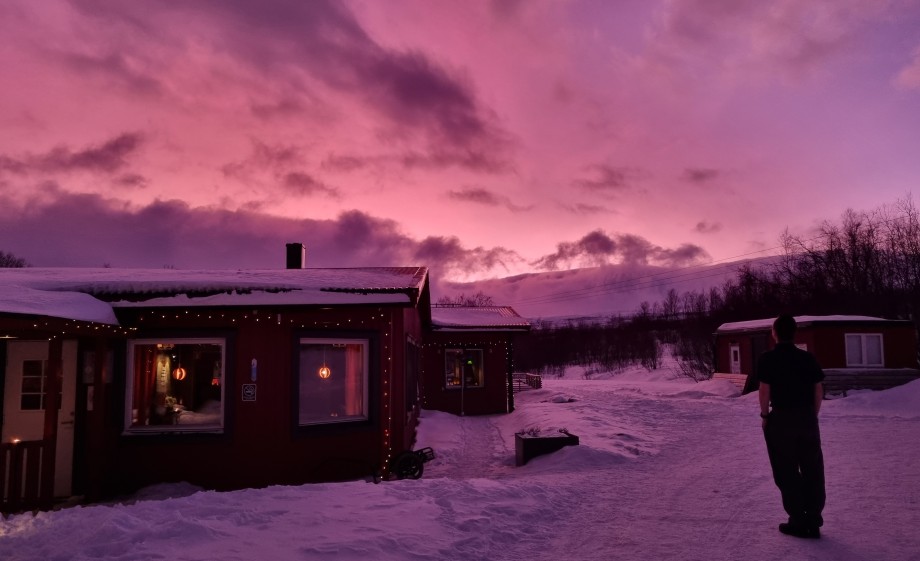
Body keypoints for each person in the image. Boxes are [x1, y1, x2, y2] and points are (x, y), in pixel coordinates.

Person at [757, 314, 826, 539]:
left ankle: (798, 520)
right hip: (806, 419)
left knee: (786, 470)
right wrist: (812, 415)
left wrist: (765, 416)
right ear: (795, 333)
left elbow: (764, 391)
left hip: (781, 420)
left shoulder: (768, 359)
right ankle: (813, 519)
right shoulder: (807, 358)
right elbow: (818, 390)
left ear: (774, 333)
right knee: (812, 468)